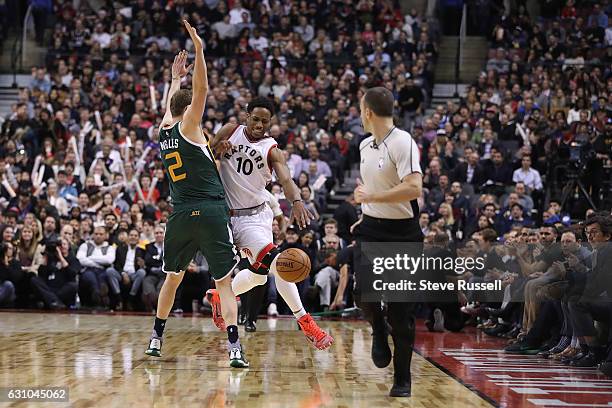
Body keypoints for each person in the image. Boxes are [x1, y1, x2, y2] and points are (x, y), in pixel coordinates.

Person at [144, 23, 247, 369]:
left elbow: (170, 105)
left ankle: (156, 337)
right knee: (225, 283)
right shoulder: (189, 126)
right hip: (209, 210)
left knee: (172, 278)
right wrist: (200, 51)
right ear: (189, 113)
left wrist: (175, 79)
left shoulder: (164, 130)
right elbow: (200, 88)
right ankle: (234, 347)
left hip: (180, 213)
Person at [206, 97, 333, 349]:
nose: (259, 124)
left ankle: (220, 295)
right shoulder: (230, 130)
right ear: (247, 115)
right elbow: (204, 154)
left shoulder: (272, 149)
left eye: (265, 121)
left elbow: (286, 179)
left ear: (270, 122)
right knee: (279, 264)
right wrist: (218, 150)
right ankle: (305, 322)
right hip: (229, 217)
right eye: (255, 119)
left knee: (260, 276)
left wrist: (296, 200)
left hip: (256, 216)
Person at [352, 87, 423, 397]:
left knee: (400, 312)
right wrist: (366, 207)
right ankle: (378, 329)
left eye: (360, 108)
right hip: (370, 228)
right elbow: (373, 188)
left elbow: (414, 188)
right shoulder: (364, 145)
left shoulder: (403, 142)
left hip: (403, 234)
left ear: (368, 111)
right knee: (362, 294)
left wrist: (373, 197)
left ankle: (402, 379)